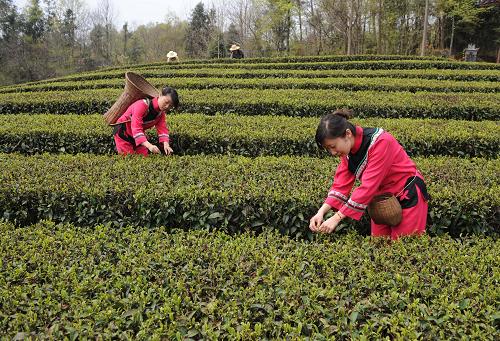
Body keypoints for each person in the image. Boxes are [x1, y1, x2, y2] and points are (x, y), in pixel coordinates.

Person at [309, 109, 429, 240]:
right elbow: (340, 185)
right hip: (381, 203)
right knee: (379, 248)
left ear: (347, 134)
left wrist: (337, 218)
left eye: (333, 146)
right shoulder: (348, 152)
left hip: (408, 195)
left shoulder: (381, 142)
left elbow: (368, 186)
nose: (332, 153)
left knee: (404, 249)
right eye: (328, 149)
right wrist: (321, 212)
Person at [112, 86, 179, 156]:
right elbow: (136, 128)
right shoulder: (142, 105)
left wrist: (166, 145)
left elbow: (163, 129)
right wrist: (149, 146)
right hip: (123, 132)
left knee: (144, 156)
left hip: (137, 136)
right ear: (160, 95)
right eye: (166, 102)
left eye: (170, 106)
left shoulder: (160, 114)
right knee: (128, 158)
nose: (167, 106)